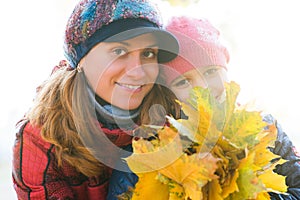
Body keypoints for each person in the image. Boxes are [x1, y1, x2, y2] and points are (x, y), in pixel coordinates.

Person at [107, 16, 300, 199]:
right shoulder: (146, 153)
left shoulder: (265, 130)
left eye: (210, 71)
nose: (203, 89)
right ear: (168, 93)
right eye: (183, 82)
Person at [12, 0, 180, 199]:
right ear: (81, 60)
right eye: (119, 51)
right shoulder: (41, 140)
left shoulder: (173, 118)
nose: (138, 71)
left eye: (148, 53)